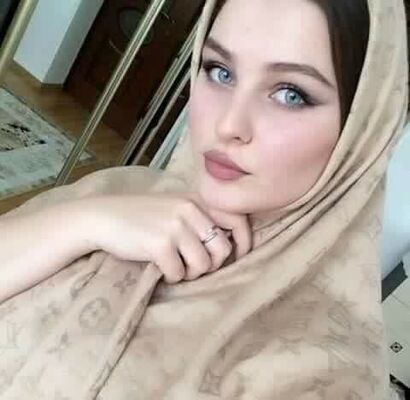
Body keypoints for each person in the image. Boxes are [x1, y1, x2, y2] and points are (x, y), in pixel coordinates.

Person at [0, 0, 407, 398]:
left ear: (364, 127)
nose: (228, 124)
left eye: (291, 94)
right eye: (220, 71)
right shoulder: (121, 188)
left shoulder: (330, 375)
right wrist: (86, 222)